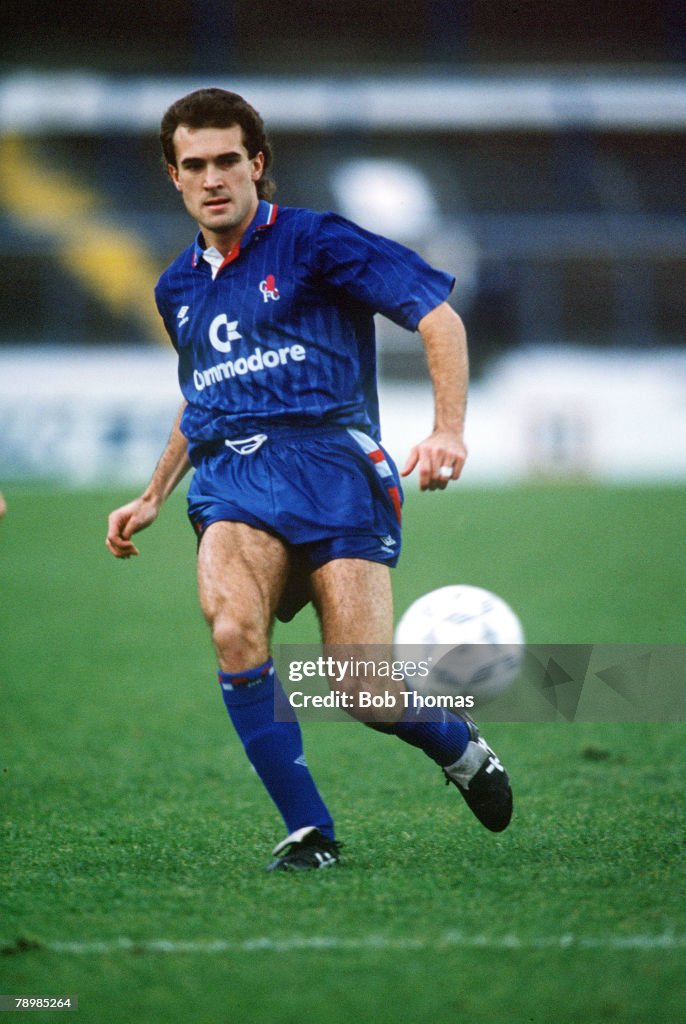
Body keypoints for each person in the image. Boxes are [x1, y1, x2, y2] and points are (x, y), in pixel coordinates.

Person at [106, 88, 512, 872]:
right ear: (174, 177)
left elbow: (437, 315)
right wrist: (155, 492)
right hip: (234, 479)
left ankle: (459, 748)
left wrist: (449, 428)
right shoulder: (176, 289)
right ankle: (309, 832)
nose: (214, 177)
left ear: (258, 165)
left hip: (334, 469)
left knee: (361, 688)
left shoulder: (318, 242)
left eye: (229, 160)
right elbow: (205, 398)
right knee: (231, 629)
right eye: (196, 165)